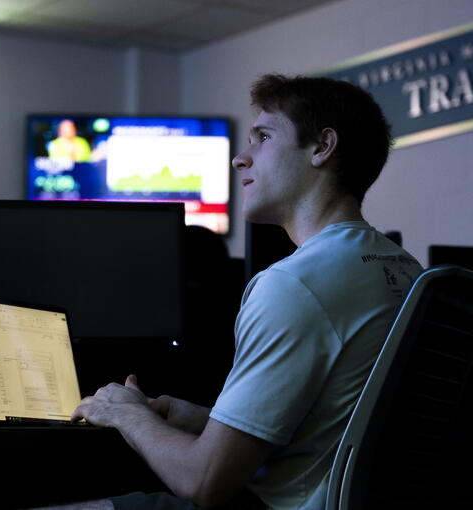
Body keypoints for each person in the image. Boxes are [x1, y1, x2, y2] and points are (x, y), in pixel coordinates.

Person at [47, 74, 423, 510]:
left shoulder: (294, 285)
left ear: (322, 147)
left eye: (263, 137)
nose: (240, 160)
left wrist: (124, 413)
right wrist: (199, 419)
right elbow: (330, 433)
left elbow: (204, 482)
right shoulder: (403, 268)